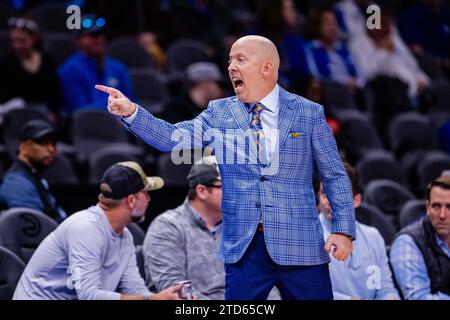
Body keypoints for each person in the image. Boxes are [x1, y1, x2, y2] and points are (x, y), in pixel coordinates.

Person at [96, 35, 356, 300]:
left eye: (241, 59)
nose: (231, 67)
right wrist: (132, 113)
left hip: (301, 244)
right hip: (244, 248)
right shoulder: (219, 112)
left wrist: (343, 229)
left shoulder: (307, 113)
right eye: (230, 60)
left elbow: (334, 174)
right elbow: (173, 138)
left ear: (267, 67)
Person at [13, 161, 182, 300]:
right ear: (131, 200)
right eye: (145, 193)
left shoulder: (125, 236)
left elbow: (134, 289)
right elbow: (89, 295)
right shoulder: (85, 228)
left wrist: (160, 298)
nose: (149, 199)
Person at [143, 157, 223, 299]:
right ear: (202, 191)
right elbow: (175, 290)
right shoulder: (167, 227)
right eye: (228, 186)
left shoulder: (242, 227)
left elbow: (263, 282)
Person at [318, 163, 400, 300]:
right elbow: (307, 292)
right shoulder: (306, 237)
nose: (330, 201)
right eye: (325, 194)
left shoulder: (373, 236)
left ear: (356, 200)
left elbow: (385, 288)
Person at [58, 14, 135, 114]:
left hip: (122, 123)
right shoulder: (69, 71)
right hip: (88, 126)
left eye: (101, 34)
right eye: (93, 35)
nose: (99, 39)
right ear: (78, 40)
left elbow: (132, 103)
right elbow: (81, 111)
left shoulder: (117, 67)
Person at [390, 176, 450, 300]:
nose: (443, 215)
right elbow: (418, 297)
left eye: (449, 207)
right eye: (436, 206)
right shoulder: (408, 242)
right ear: (428, 207)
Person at [0, 119, 67, 222]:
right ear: (23, 147)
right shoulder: (17, 182)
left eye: (53, 144)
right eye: (43, 143)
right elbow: (36, 230)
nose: (51, 149)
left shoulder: (33, 176)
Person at [0, 17, 61, 119]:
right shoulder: (6, 63)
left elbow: (54, 92)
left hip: (44, 113)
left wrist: (53, 112)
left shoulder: (47, 60)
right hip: (16, 113)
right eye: (14, 41)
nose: (17, 46)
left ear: (34, 38)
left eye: (22, 41)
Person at [160, 62, 225, 124]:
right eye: (200, 86)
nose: (206, 90)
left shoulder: (227, 107)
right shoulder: (175, 110)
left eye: (211, 83)